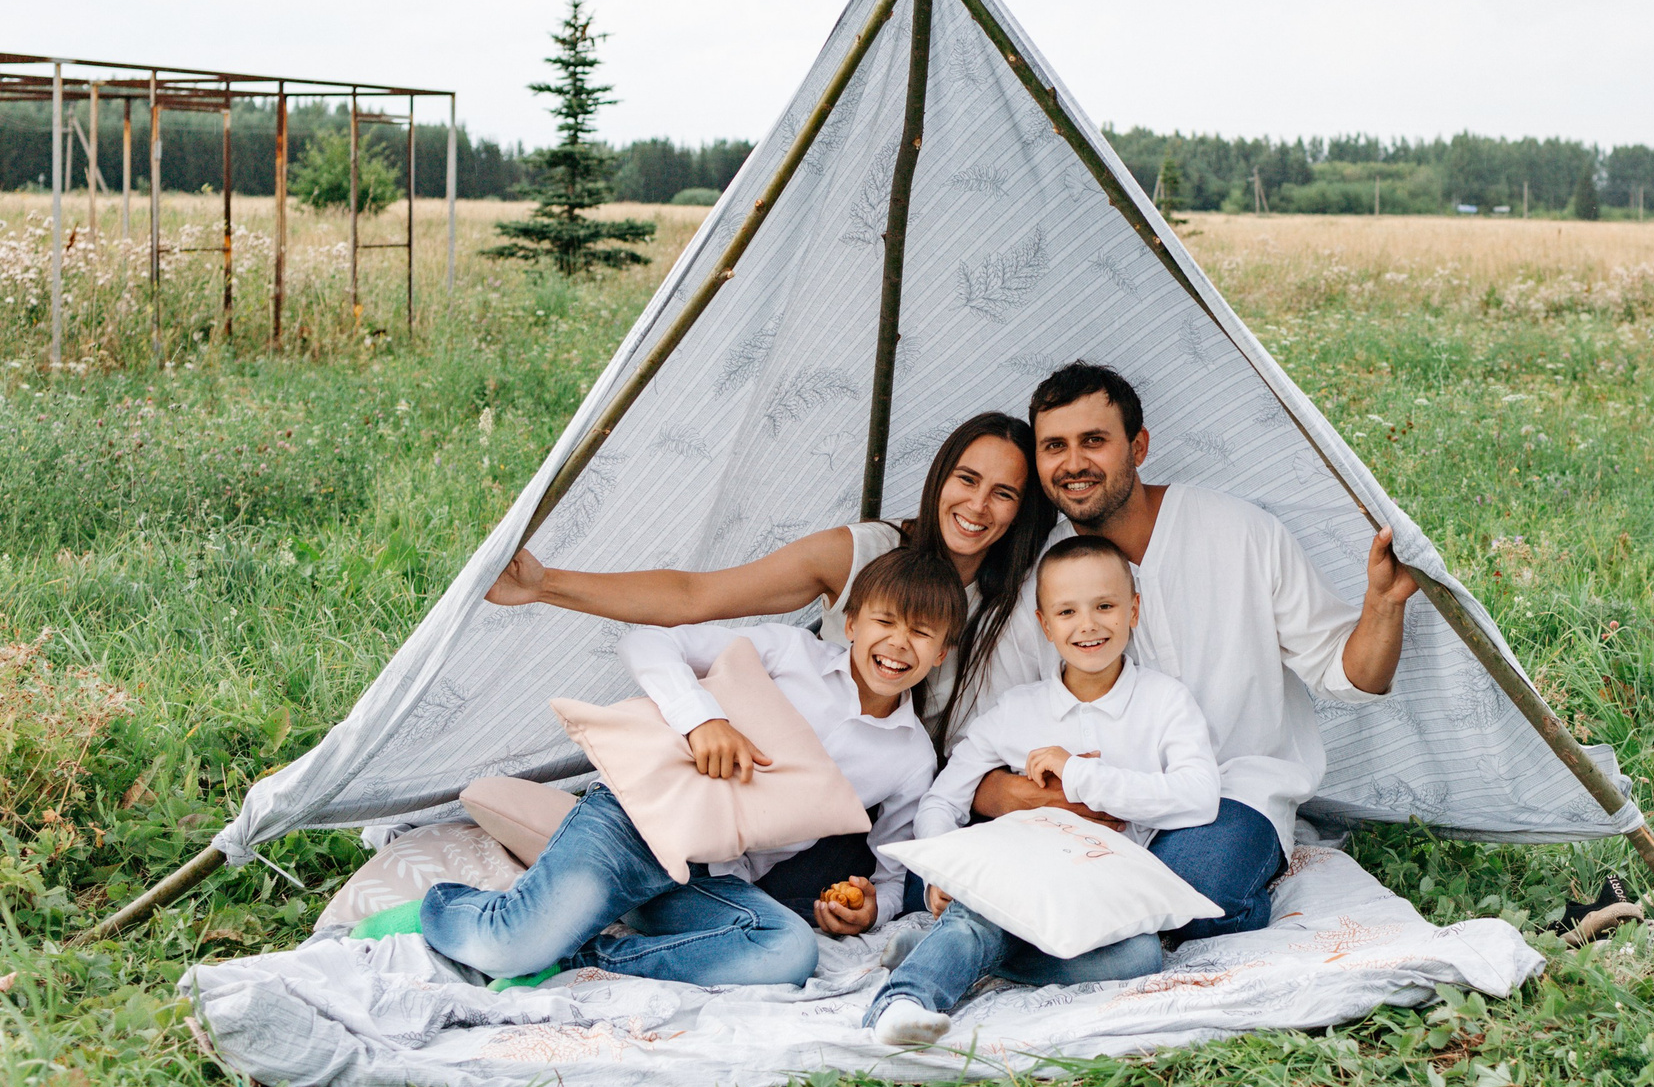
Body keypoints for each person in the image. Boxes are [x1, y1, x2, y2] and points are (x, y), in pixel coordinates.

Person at [361, 549, 966, 989]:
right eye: (885, 622)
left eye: (921, 633)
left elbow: (897, 866)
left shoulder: (909, 757)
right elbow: (649, 641)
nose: (898, 645)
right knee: (507, 945)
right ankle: (446, 908)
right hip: (636, 825)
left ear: (941, 652)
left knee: (787, 952)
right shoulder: (791, 653)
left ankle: (582, 957)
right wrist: (701, 718)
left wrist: (872, 909)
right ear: (853, 624)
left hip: (712, 878)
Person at [967, 362, 1423, 941]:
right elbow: (979, 735)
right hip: (1095, 808)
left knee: (1181, 895)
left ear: (1138, 445)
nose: (1073, 463)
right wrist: (1013, 796)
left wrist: (1383, 605)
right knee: (1066, 900)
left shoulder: (1241, 534)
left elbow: (1350, 675)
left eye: (1094, 441)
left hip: (1230, 796)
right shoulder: (1039, 576)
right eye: (1054, 446)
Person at [485, 412, 1055, 749]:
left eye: (1003, 493)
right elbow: (696, 595)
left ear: (1022, 509)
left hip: (900, 786)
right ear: (941, 477)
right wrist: (544, 584)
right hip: (795, 758)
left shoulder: (1019, 589)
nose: (978, 505)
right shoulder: (861, 554)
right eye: (967, 479)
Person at [864, 533, 1219, 1046]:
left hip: (1101, 892)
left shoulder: (1165, 702)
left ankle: (947, 951)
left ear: (1134, 610)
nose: (1089, 625)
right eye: (1068, 612)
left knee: (1141, 956)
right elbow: (943, 798)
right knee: (985, 909)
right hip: (1021, 872)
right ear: (1045, 624)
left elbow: (1200, 795)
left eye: (1105, 606)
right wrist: (940, 870)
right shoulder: (1019, 710)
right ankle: (903, 1001)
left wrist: (1081, 774)